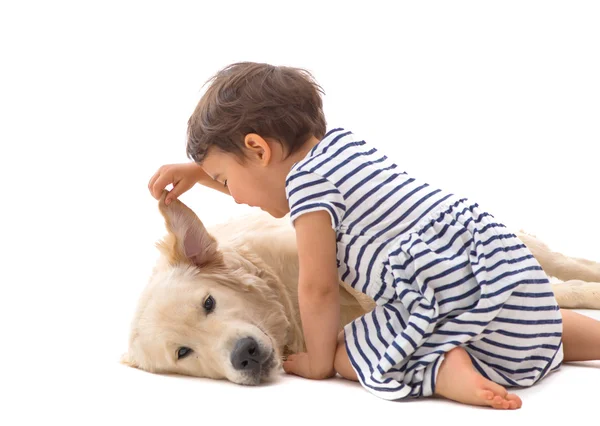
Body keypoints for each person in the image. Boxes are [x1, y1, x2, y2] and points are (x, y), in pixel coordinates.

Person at [148, 62, 600, 409]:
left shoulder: (307, 195)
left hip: (444, 293)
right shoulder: (344, 147)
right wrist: (202, 173)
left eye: (224, 180)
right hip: (499, 262)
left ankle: (447, 369)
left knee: (352, 350)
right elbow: (265, 184)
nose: (233, 196)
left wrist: (321, 362)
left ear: (258, 149)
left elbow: (319, 288)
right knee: (545, 324)